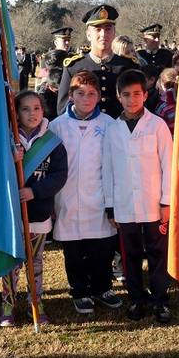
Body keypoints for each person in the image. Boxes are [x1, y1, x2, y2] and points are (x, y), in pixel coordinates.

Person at [102, 69, 174, 324]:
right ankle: (136, 298)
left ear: (145, 95)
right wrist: (110, 207)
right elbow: (107, 169)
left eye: (136, 94)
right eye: (126, 95)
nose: (131, 100)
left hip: (154, 204)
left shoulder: (157, 126)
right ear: (118, 97)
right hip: (124, 205)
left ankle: (160, 299)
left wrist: (167, 201)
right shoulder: (112, 129)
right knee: (130, 254)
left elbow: (168, 164)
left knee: (157, 253)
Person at [50, 70, 121, 314]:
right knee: (74, 251)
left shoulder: (110, 124)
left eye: (92, 94)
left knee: (101, 248)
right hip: (67, 199)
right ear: (71, 96)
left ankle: (102, 287)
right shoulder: (57, 126)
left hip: (99, 198)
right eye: (80, 93)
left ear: (99, 96)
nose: (86, 98)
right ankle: (79, 290)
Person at [0, 91, 68, 327]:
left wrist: (35, 192)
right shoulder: (7, 141)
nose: (32, 113)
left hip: (38, 213)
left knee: (35, 262)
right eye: (26, 109)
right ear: (16, 113)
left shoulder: (53, 142)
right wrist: (10, 159)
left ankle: (35, 302)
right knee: (11, 263)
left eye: (37, 108)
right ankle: (8, 304)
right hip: (12, 215)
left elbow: (59, 176)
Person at [57, 5, 140, 118]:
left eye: (108, 28)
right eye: (98, 29)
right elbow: (63, 109)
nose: (103, 34)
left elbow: (139, 105)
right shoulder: (73, 67)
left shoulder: (129, 66)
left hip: (121, 131)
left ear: (114, 33)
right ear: (88, 34)